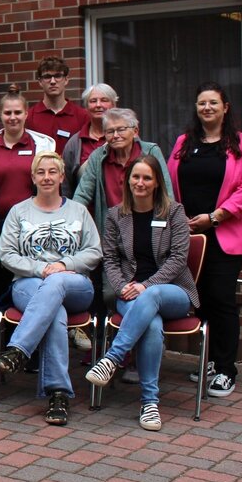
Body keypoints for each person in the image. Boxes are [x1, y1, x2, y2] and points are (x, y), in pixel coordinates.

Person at [85, 155, 198, 431]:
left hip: (174, 292)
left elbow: (178, 259)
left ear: (157, 182)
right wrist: (121, 284)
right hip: (129, 292)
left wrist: (147, 285)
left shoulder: (174, 213)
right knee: (152, 325)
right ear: (128, 181)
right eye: (136, 177)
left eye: (147, 177)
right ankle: (150, 404)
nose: (141, 183)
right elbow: (109, 258)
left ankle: (112, 357)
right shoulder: (115, 216)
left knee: (152, 297)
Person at [0, 152, 102, 427]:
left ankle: (18, 349)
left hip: (75, 284)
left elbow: (94, 251)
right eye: (41, 172)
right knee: (55, 314)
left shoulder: (78, 210)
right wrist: (40, 269)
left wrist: (64, 264)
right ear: (33, 177)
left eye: (53, 171)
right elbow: (6, 254)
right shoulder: (19, 211)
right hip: (28, 284)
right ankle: (58, 394)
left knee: (56, 283)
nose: (47, 177)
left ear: (62, 176)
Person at [167, 82, 242, 399]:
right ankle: (208, 361)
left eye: (213, 103)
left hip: (223, 235)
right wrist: (179, 220)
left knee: (221, 300)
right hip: (189, 236)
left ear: (225, 107)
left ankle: (225, 369)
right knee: (199, 300)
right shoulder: (183, 143)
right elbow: (170, 184)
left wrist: (215, 216)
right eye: (202, 103)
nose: (207, 108)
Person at [71, 107, 170, 355]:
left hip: (148, 236)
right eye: (109, 131)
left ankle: (129, 355)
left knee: (144, 289)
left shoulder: (150, 151)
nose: (114, 135)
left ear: (135, 131)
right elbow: (82, 195)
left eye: (120, 129)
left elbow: (166, 193)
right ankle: (122, 352)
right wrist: (71, 223)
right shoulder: (99, 157)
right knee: (112, 292)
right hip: (113, 236)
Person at [0, 88, 56, 230]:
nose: (12, 117)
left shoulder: (42, 146)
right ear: (0, 115)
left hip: (37, 221)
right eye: (7, 113)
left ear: (26, 114)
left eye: (17, 112)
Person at [61, 83, 119, 196]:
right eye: (93, 101)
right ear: (86, 107)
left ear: (114, 105)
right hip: (85, 210)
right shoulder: (75, 143)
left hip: (121, 210)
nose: (98, 105)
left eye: (104, 100)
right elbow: (65, 183)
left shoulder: (124, 137)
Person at [24, 57, 89, 150]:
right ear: (40, 82)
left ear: (66, 80)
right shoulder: (29, 117)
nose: (53, 81)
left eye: (58, 76)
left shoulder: (82, 116)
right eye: (47, 77)